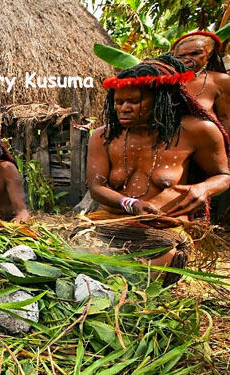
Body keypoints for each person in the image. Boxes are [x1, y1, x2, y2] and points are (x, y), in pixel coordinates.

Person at [86, 55, 230, 285]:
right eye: (118, 101)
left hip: (164, 232)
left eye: (134, 101)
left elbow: (223, 176)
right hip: (108, 223)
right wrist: (131, 205)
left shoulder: (197, 131)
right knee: (80, 264)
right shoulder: (104, 136)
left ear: (164, 99)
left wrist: (203, 189)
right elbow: (96, 187)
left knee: (141, 280)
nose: (123, 108)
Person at [171, 31, 230, 134]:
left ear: (209, 54)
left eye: (195, 53)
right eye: (181, 56)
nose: (187, 59)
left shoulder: (220, 81)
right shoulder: (164, 80)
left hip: (208, 144)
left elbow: (225, 118)